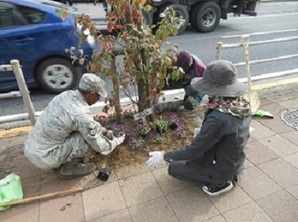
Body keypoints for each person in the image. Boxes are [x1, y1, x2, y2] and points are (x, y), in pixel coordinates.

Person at [147, 60, 251, 196]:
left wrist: (164, 156)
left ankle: (221, 183)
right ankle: (225, 174)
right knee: (192, 158)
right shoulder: (240, 104)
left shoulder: (219, 118)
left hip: (223, 169)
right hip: (234, 160)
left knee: (174, 168)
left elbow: (194, 150)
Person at [24, 73, 125, 179]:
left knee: (81, 130)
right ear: (91, 94)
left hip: (31, 147)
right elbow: (99, 145)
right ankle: (68, 169)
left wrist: (104, 131)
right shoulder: (80, 114)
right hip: (44, 158)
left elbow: (86, 124)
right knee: (85, 141)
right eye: (98, 95)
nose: (98, 99)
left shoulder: (66, 95)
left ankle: (61, 158)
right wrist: (116, 141)